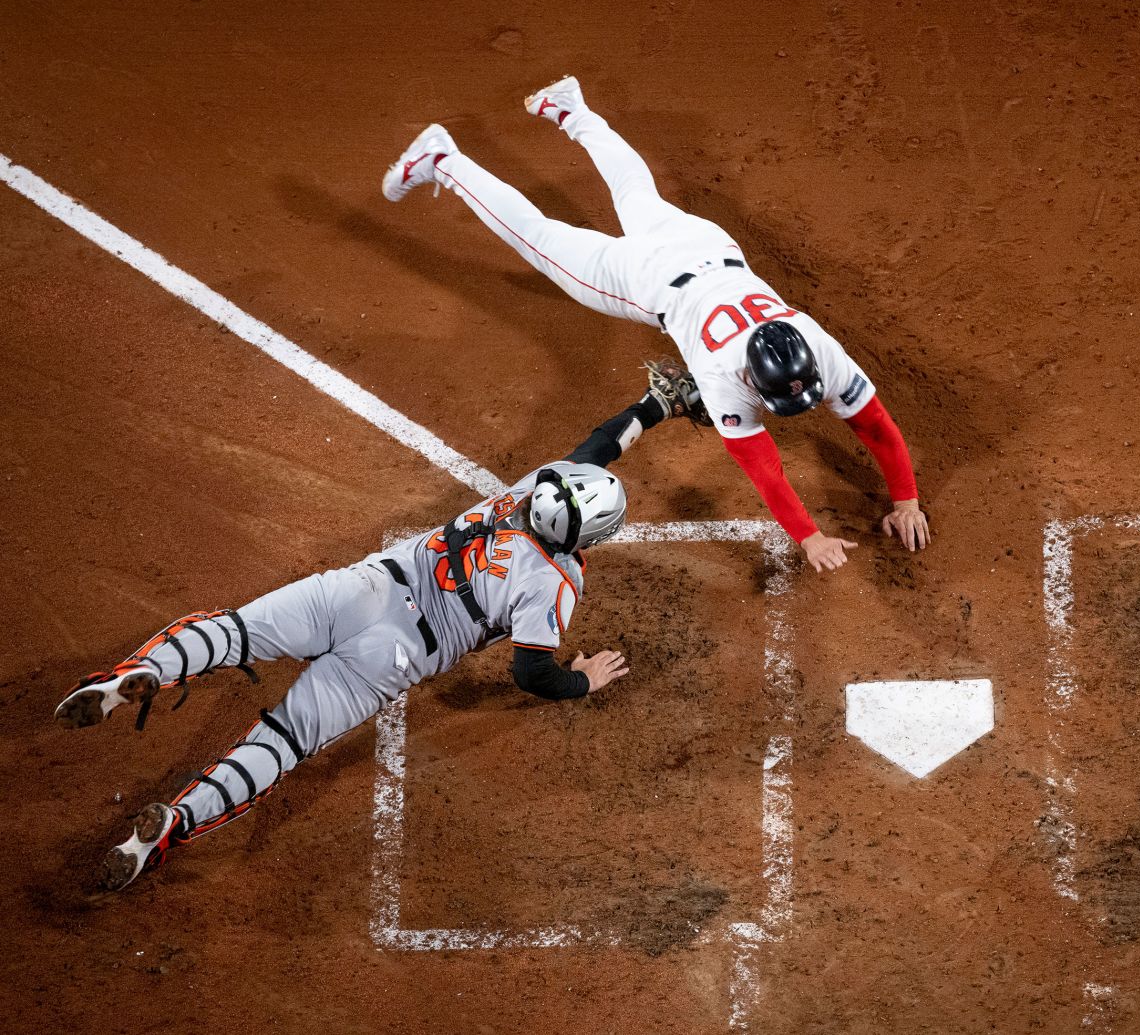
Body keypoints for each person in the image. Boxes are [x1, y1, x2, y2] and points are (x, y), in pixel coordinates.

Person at [55, 380, 694, 891]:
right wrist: (581, 679)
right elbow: (532, 672)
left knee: (234, 633)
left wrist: (656, 404)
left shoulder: (536, 484)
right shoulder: (555, 582)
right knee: (284, 739)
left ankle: (136, 675)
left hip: (365, 589)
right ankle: (172, 825)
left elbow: (601, 443)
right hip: (391, 659)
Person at [380, 76, 932, 573]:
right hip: (649, 278)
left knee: (636, 195)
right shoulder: (722, 376)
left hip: (707, 247)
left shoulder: (815, 347)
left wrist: (906, 499)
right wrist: (808, 537)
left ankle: (569, 108)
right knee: (543, 241)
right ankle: (443, 161)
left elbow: (873, 422)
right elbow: (767, 469)